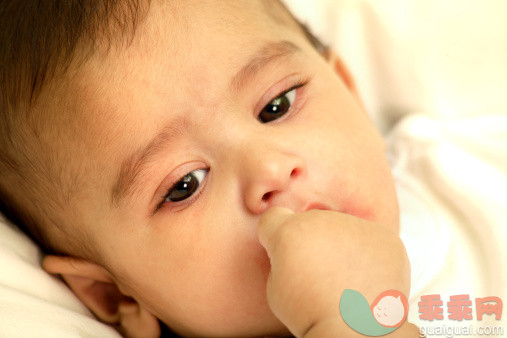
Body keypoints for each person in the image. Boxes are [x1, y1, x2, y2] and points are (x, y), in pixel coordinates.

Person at [0, 0, 420, 336]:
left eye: (277, 106)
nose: (270, 169)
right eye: (185, 184)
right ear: (116, 296)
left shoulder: (465, 177)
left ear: (349, 91)